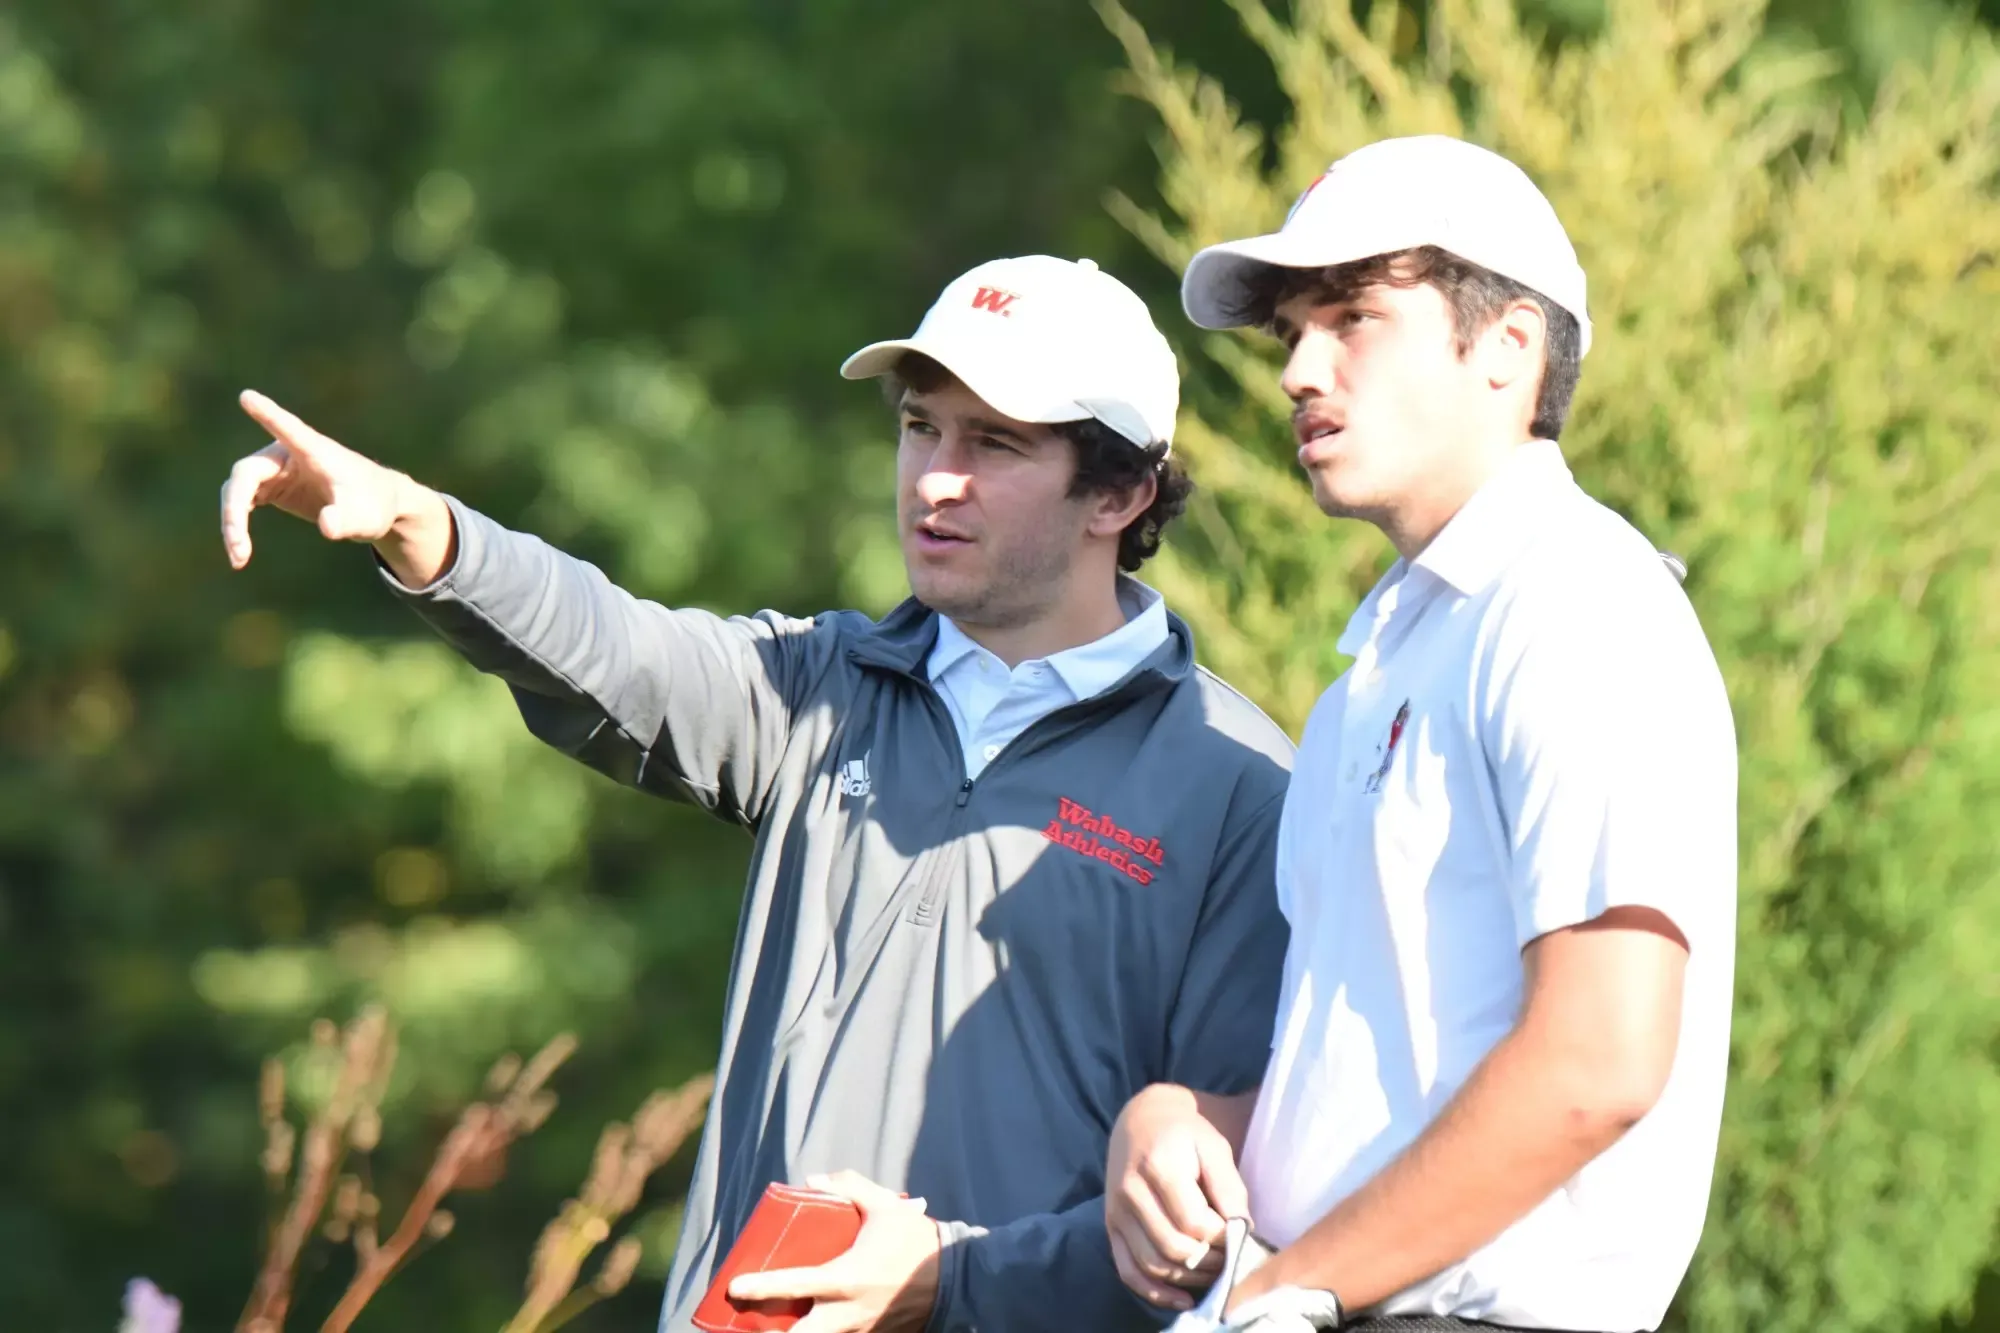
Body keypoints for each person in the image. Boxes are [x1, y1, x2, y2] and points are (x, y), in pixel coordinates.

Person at [218, 254, 1295, 1333]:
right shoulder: (826, 686)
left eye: (994, 444)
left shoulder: (1240, 787)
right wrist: (418, 524)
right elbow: (620, 651)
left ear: (1119, 492)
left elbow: (1223, 1215)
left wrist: (953, 1276)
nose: (933, 479)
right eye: (920, 428)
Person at [1103, 135, 1738, 1333]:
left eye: (1352, 316)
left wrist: (1288, 1287)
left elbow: (1599, 1059)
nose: (1297, 369)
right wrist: (1182, 1120)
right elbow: (1369, 1088)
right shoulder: (1384, 667)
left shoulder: (1575, 602)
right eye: (1291, 330)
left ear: (1507, 347)